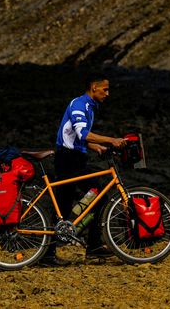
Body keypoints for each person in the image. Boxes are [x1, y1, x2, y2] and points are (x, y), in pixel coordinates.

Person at [41, 74, 127, 267]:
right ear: (93, 87)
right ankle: (89, 247)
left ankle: (89, 246)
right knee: (80, 201)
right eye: (104, 89)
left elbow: (77, 137)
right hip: (68, 160)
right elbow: (82, 133)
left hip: (74, 158)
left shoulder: (88, 106)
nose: (107, 93)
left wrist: (95, 147)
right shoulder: (80, 105)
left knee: (89, 197)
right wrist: (111, 140)